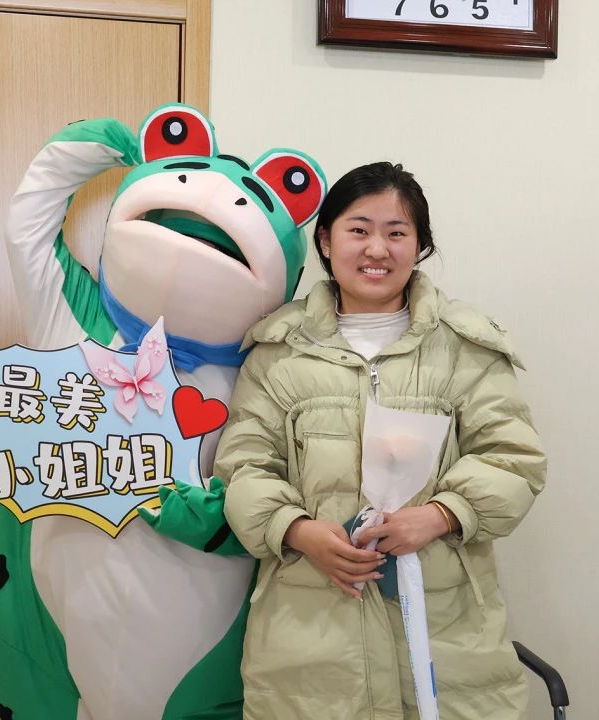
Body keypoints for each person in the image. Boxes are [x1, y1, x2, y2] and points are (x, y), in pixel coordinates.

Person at [214, 161, 546, 719]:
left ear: (419, 246)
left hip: (446, 633)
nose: (377, 249)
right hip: (310, 637)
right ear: (326, 240)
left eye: (396, 233)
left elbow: (513, 459)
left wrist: (441, 515)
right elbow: (243, 467)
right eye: (359, 229)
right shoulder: (278, 352)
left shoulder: (465, 346)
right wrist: (296, 530)